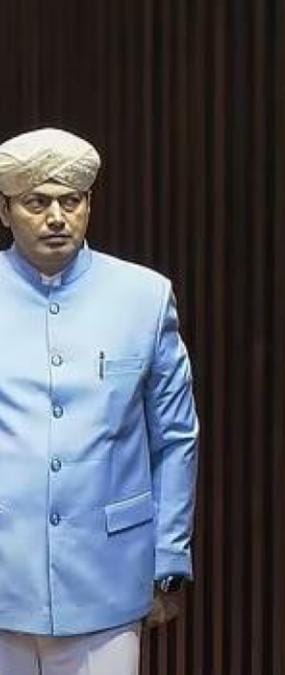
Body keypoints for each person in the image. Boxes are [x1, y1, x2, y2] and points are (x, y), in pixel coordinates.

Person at [0, 128, 199, 674]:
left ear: (89, 204)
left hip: (109, 576)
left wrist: (169, 558)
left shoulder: (144, 296)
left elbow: (175, 437)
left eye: (71, 201)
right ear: (5, 210)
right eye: (37, 203)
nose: (56, 217)